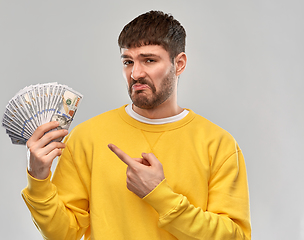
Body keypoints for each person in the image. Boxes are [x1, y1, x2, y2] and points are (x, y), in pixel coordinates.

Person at [22, 10, 251, 240]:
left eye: (149, 60)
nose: (135, 73)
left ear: (179, 64)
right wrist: (39, 179)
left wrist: (159, 195)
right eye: (128, 62)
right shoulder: (87, 137)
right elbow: (63, 234)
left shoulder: (218, 144)